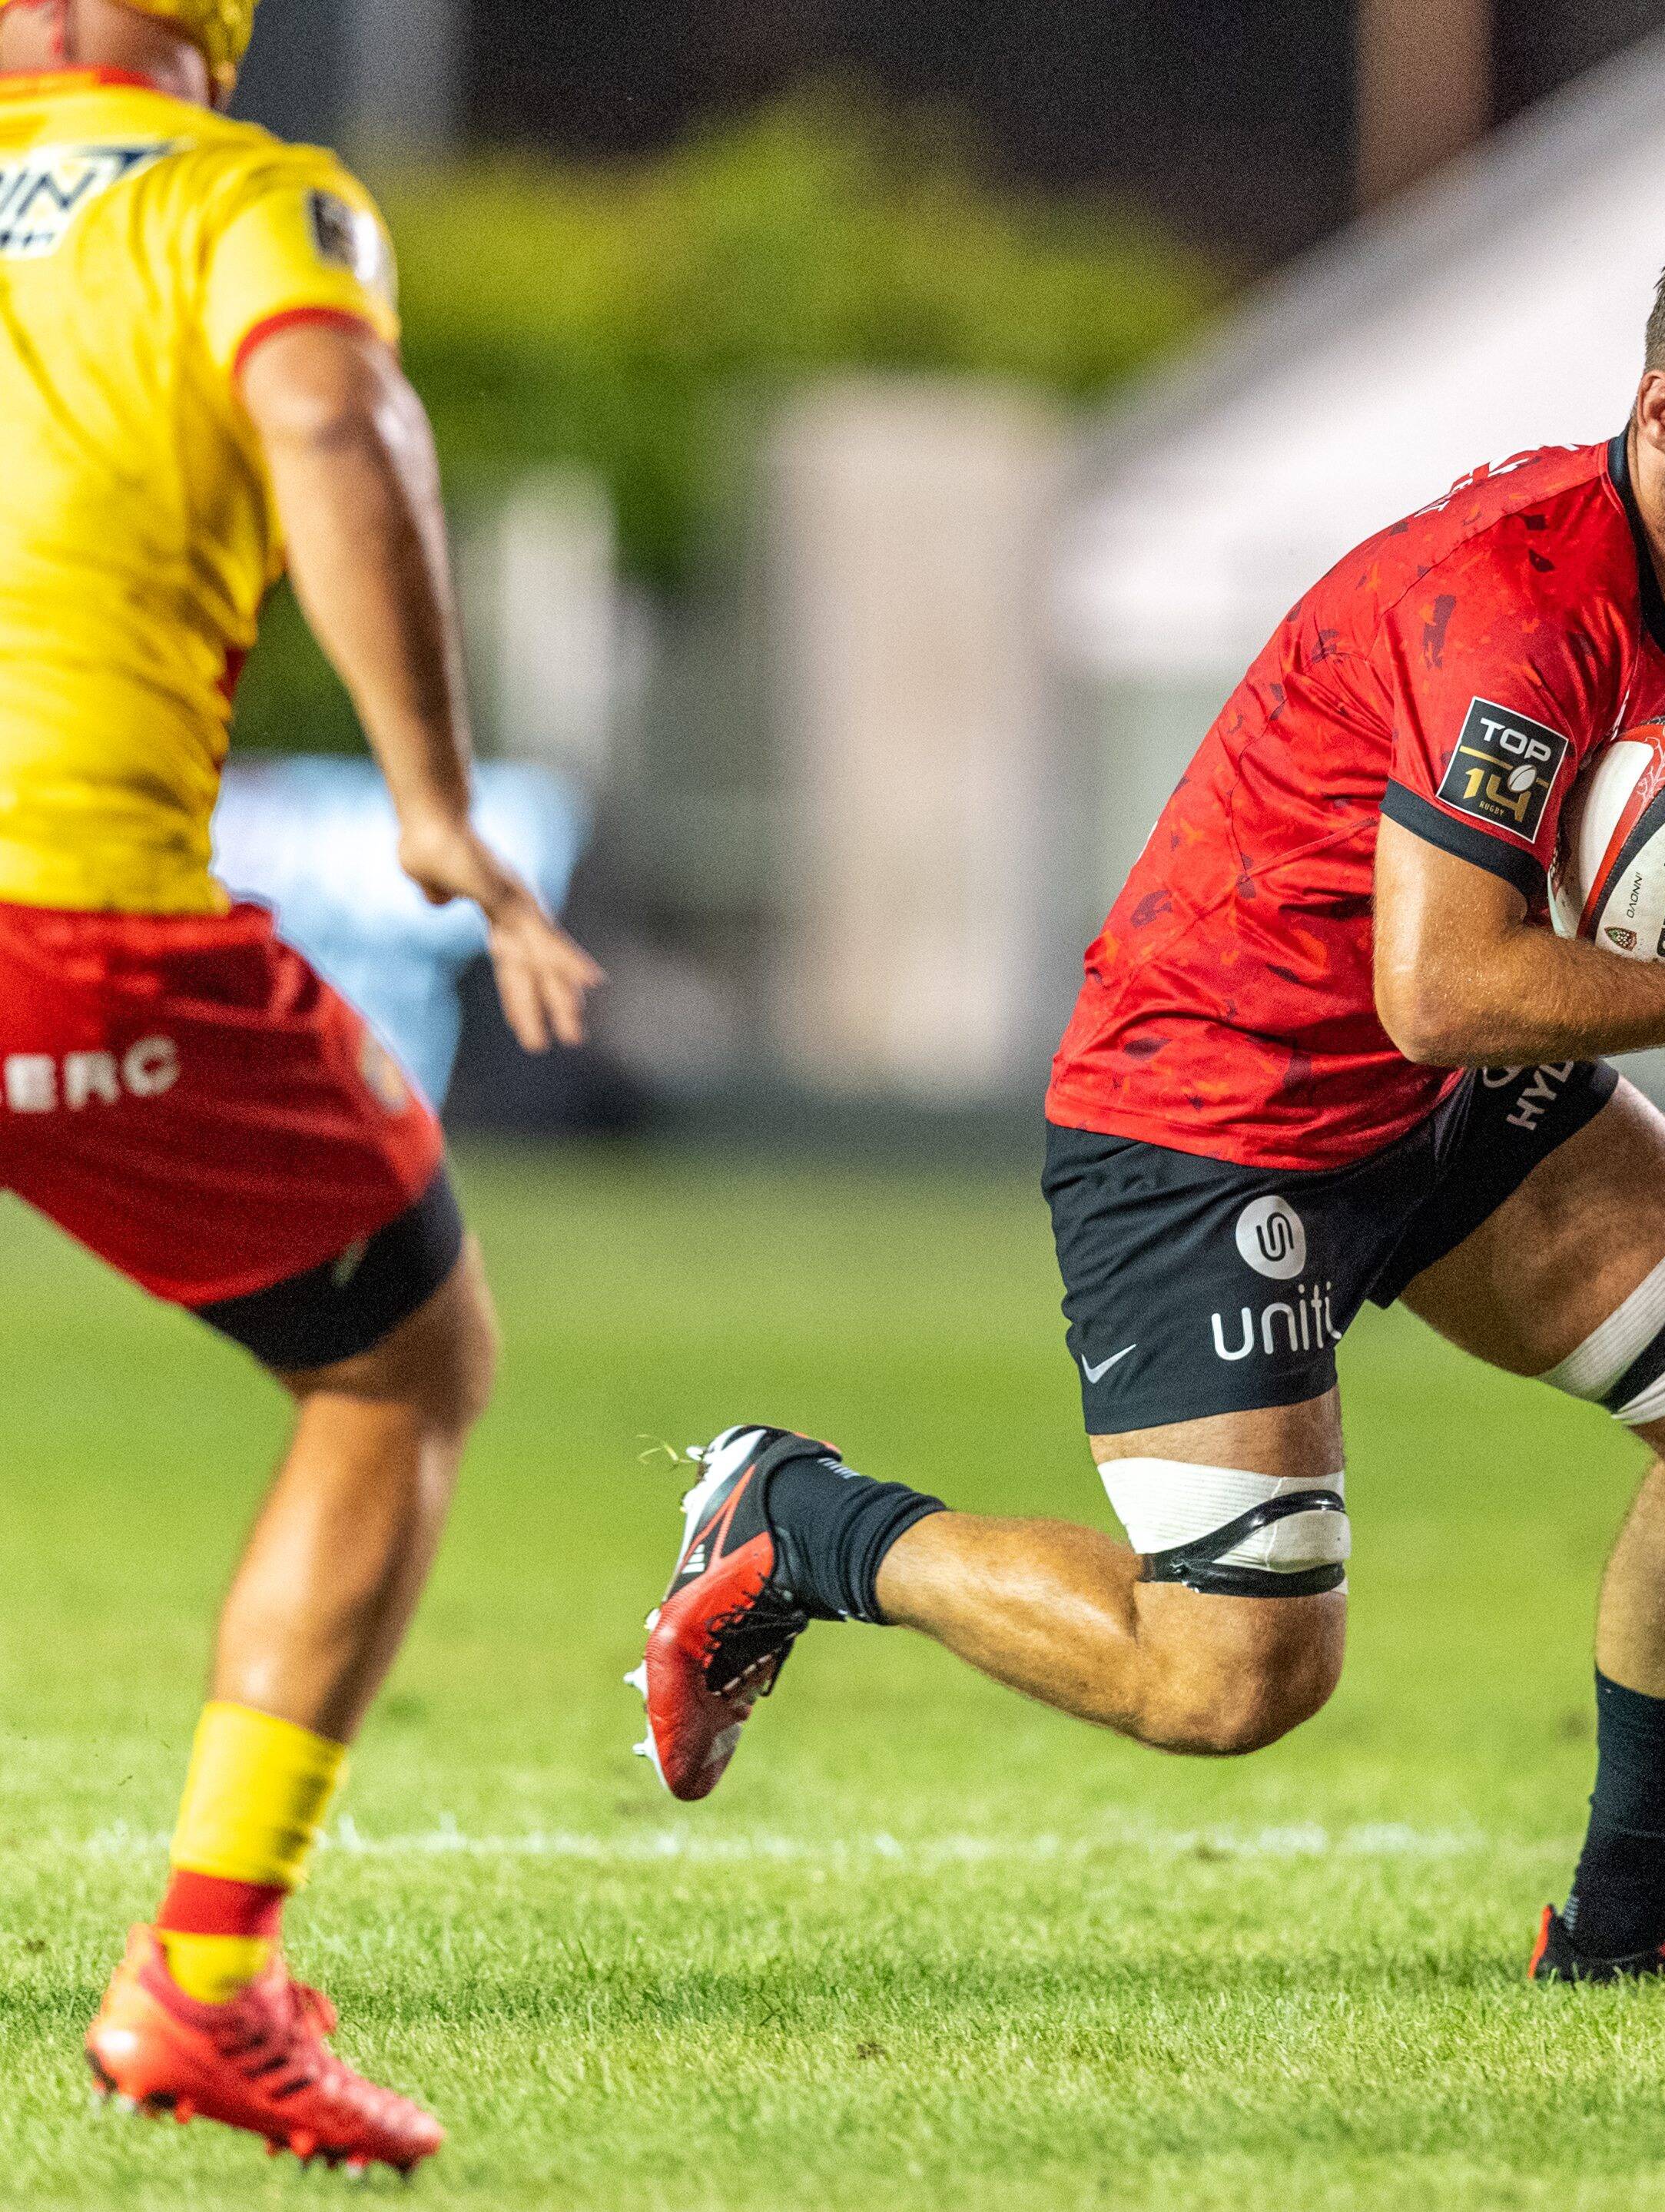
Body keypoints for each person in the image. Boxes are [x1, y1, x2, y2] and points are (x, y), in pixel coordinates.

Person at [634, 203, 1665, 1985]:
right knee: (1235, 1680)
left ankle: (1634, 1921)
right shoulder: (1517, 599)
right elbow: (1444, 983)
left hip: (1442, 1099)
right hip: (1211, 1107)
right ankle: (798, 1521)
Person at [0, 0, 602, 2173]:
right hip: (64, 910)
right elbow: (339, 422)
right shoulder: (251, 202)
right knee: (402, 1364)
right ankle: (205, 1977)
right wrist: (432, 800)